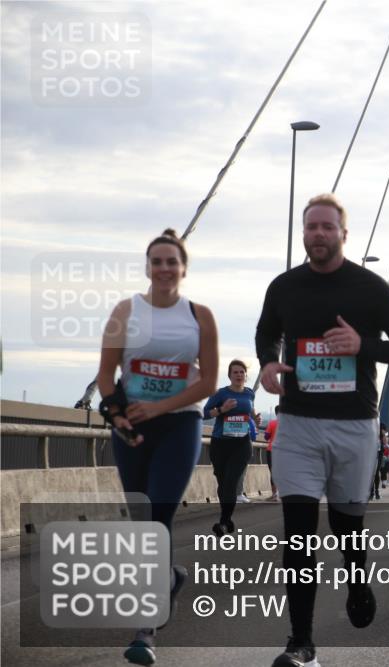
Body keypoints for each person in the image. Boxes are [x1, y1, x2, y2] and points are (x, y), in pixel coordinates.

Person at [256, 193, 389, 667]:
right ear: (303, 233)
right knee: (299, 533)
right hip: (298, 426)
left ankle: (357, 578)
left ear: (343, 235)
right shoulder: (284, 287)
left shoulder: (371, 289)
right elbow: (266, 331)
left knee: (348, 526)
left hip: (353, 426)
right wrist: (269, 362)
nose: (319, 234)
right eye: (312, 227)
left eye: (328, 227)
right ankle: (301, 642)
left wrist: (361, 344)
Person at [97, 229, 219, 665]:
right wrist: (120, 414)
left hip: (180, 424)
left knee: (157, 515)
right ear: (147, 267)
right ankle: (167, 577)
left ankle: (145, 629)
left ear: (183, 268)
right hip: (132, 426)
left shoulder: (200, 315)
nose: (164, 268)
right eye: (157, 261)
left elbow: (207, 382)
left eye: (172, 261)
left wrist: (161, 406)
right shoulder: (125, 311)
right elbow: (107, 375)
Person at [204, 359, 259, 535]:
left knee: (231, 482)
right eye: (235, 372)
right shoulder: (221, 394)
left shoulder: (250, 393)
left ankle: (223, 521)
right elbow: (205, 413)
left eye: (241, 372)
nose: (239, 375)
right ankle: (226, 519)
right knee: (222, 482)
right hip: (220, 443)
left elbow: (249, 410)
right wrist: (222, 409)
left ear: (245, 375)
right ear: (229, 375)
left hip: (242, 444)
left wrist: (254, 418)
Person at [264, 407, 281, 501]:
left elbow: (266, 437)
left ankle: (274, 494)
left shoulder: (272, 423)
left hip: (271, 450)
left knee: (273, 471)